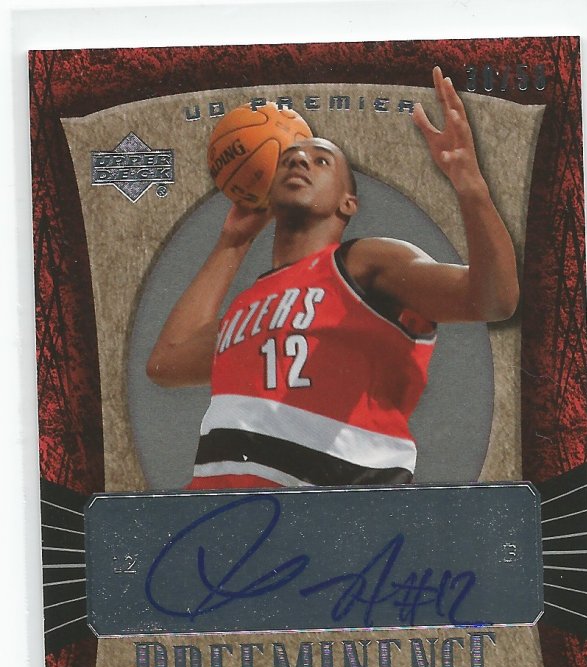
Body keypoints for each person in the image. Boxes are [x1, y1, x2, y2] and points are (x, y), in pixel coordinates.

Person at [147, 67, 519, 489]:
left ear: (348, 203)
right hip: (222, 517)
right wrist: (232, 242)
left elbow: (494, 299)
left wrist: (471, 187)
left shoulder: (364, 263)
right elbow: (164, 363)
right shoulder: (247, 305)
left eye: (321, 160)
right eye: (287, 159)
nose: (299, 159)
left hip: (337, 515)